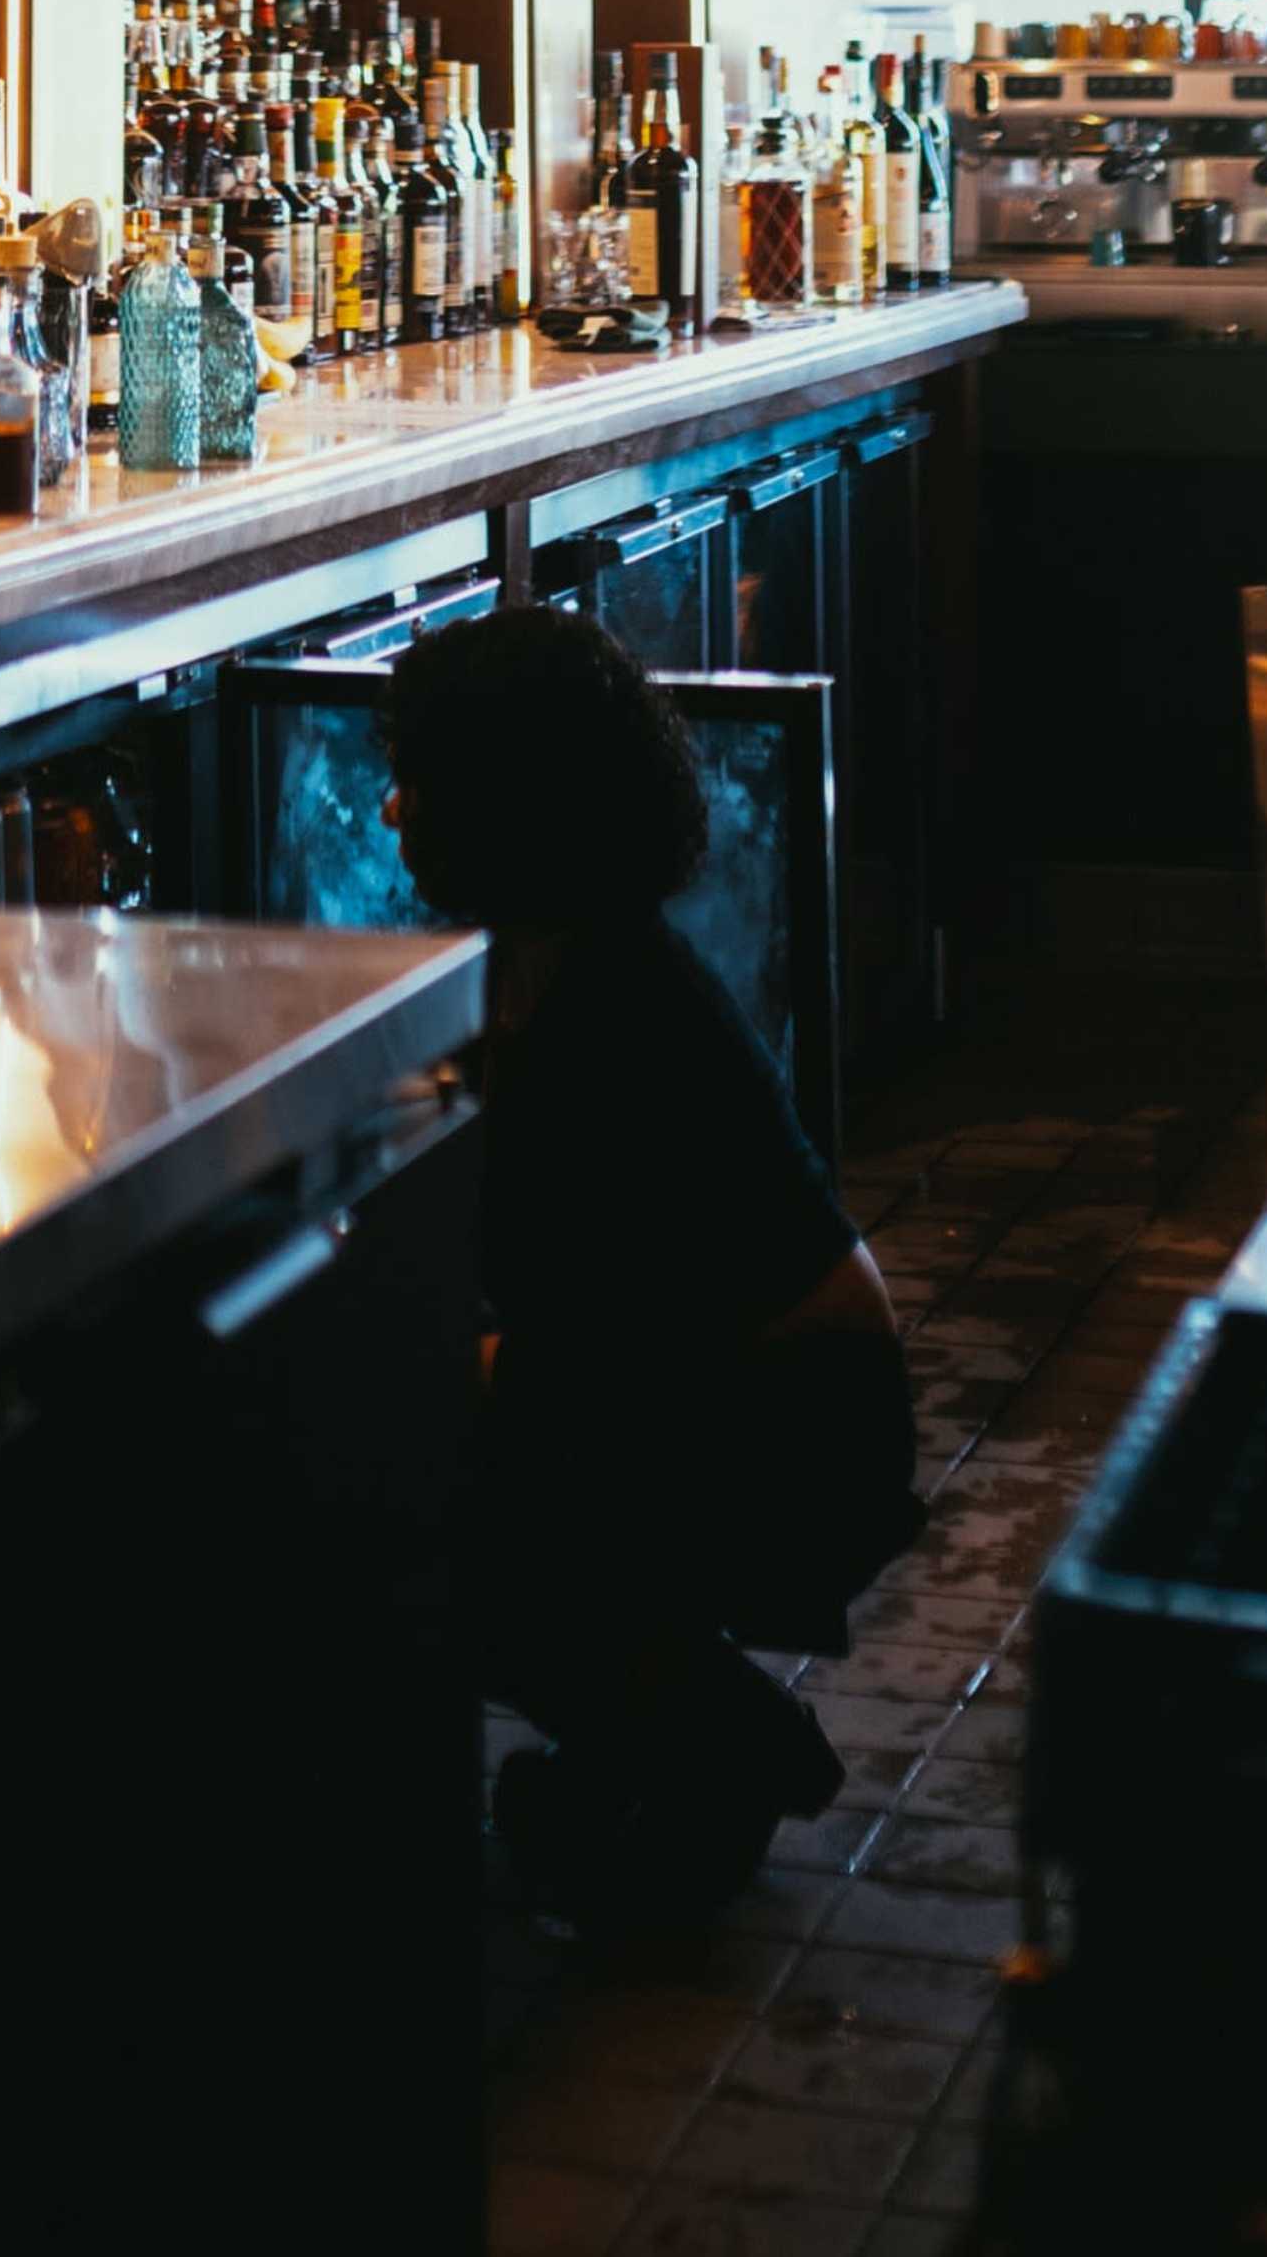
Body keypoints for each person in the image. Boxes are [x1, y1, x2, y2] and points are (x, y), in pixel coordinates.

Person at [384, 598, 922, 1931]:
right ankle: (663, 1742)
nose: (393, 813)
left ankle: (720, 1758)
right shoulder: (557, 956)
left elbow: (594, 1333)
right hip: (744, 1387)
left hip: (799, 1422)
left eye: (420, 782)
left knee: (449, 1503)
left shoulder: (613, 1010)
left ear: (495, 805)